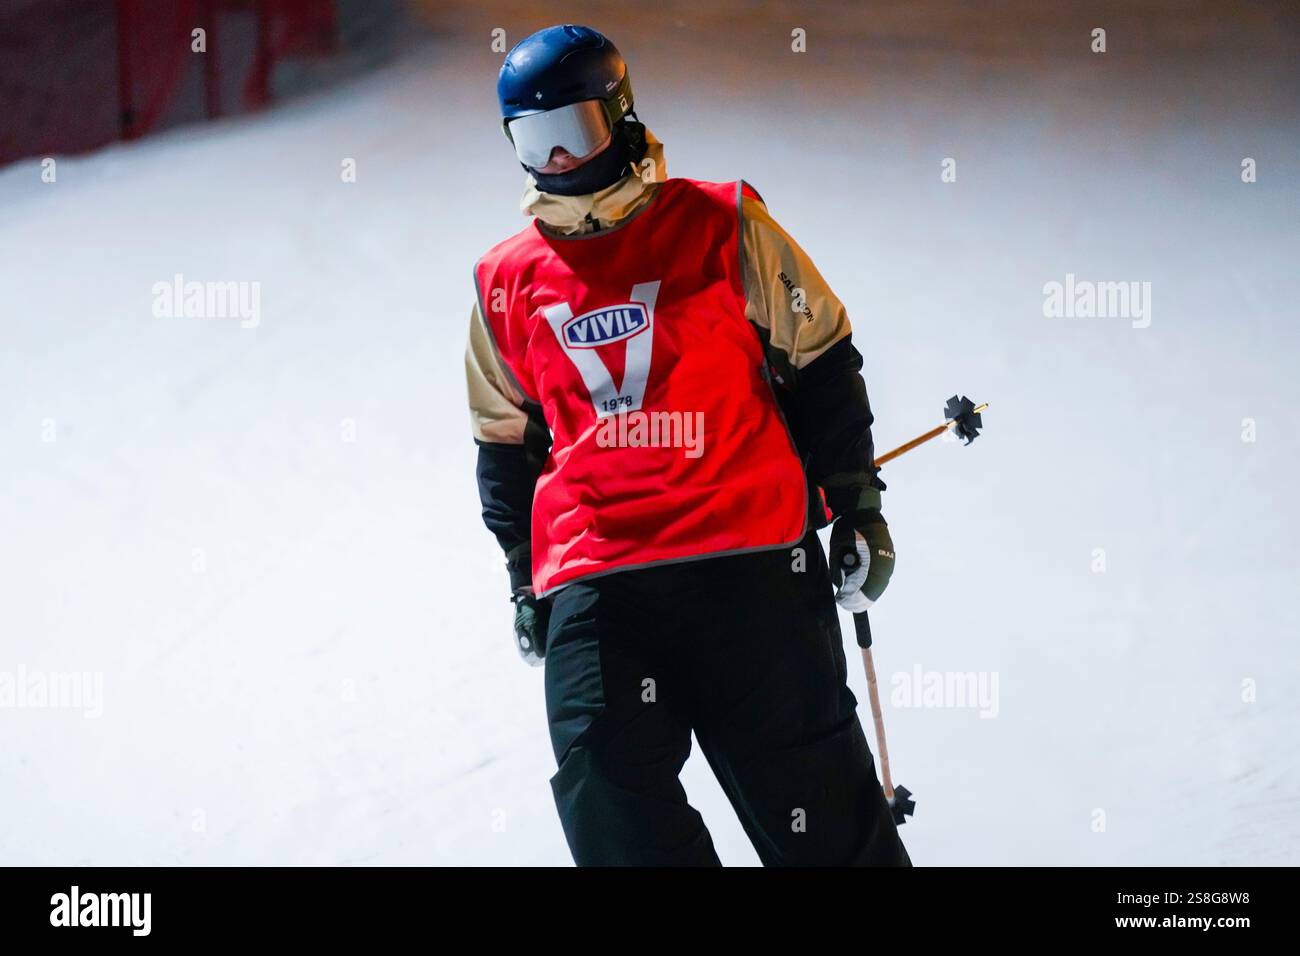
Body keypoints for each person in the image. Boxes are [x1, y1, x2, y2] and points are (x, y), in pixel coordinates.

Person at [465, 23, 910, 866]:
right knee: (608, 791)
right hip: (599, 575)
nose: (556, 160)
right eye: (533, 140)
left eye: (575, 133)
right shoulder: (506, 280)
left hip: (748, 558)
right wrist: (526, 578)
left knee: (814, 802)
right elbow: (504, 442)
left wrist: (856, 506)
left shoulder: (723, 221)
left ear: (620, 116)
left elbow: (820, 361)